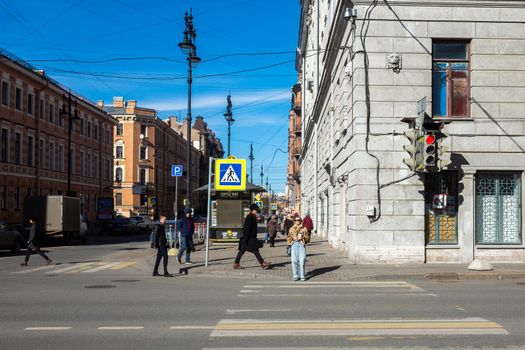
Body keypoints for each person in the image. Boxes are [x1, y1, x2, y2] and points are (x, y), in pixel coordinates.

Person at [233, 204, 270, 270]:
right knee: (255, 250)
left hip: (248, 238)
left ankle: (236, 263)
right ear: (252, 210)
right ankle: (262, 263)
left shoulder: (252, 216)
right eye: (255, 210)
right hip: (249, 238)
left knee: (243, 250)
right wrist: (246, 239)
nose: (256, 211)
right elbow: (247, 228)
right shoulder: (250, 217)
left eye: (256, 210)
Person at [287, 216, 310, 281]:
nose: (297, 221)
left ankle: (302, 275)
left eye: (298, 220)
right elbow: (288, 237)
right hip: (294, 244)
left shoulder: (304, 228)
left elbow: (308, 238)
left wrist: (302, 237)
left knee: (302, 261)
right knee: (294, 261)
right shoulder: (291, 229)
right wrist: (292, 239)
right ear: (294, 221)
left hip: (301, 245)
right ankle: (295, 276)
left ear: (300, 221)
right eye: (296, 220)